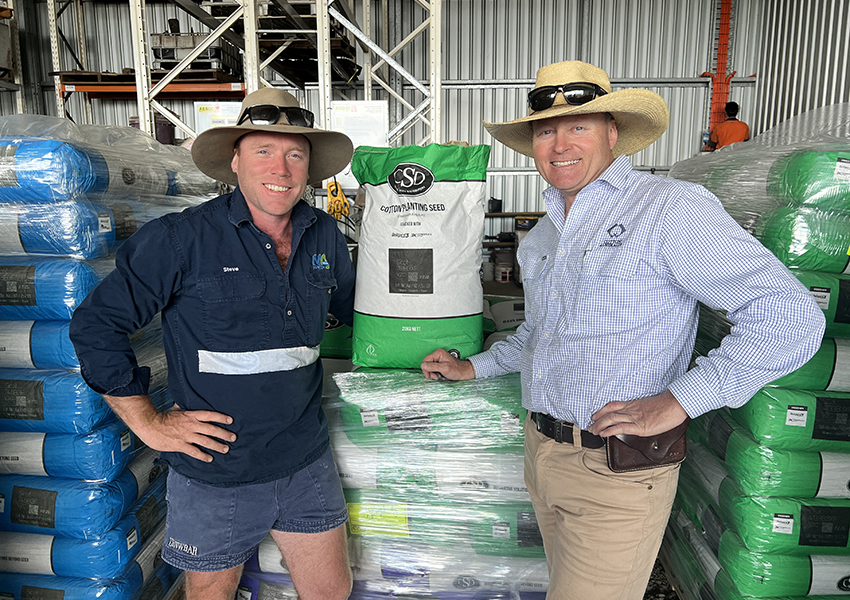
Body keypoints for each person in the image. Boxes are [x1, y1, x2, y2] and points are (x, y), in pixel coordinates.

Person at [420, 60, 824, 600]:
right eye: (546, 130)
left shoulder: (669, 211)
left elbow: (790, 316)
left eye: (578, 126)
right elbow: (540, 334)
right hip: (542, 452)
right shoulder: (542, 236)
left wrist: (680, 400)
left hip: (618, 469)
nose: (560, 143)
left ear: (613, 133)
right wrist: (476, 366)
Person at [69, 88, 356, 600]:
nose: (281, 168)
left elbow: (356, 314)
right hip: (216, 468)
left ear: (310, 168)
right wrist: (147, 422)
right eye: (263, 151)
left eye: (295, 154)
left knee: (332, 591)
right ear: (235, 160)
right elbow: (97, 325)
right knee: (209, 594)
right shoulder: (182, 238)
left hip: (305, 457)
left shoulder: (327, 236)